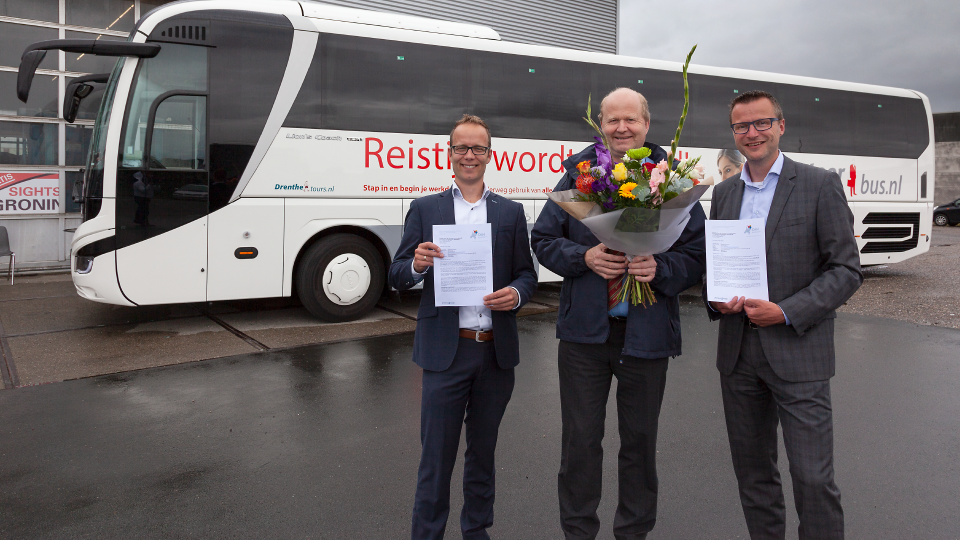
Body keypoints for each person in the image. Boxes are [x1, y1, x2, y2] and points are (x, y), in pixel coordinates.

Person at [530, 87, 706, 540]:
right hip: (584, 337)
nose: (622, 128)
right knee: (581, 444)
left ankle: (633, 532)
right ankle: (578, 532)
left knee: (639, 445)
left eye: (631, 120)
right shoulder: (578, 175)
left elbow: (698, 253)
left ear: (647, 124)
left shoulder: (673, 180)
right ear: (600, 125)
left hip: (646, 337)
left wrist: (659, 266)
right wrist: (583, 258)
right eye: (612, 120)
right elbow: (545, 239)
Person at [705, 90, 862, 540]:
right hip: (738, 356)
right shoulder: (725, 193)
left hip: (799, 352)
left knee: (813, 478)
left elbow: (846, 270)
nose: (751, 133)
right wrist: (717, 299)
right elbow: (720, 266)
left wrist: (787, 312)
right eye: (741, 126)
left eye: (761, 123)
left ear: (780, 125)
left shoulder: (818, 183)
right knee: (754, 477)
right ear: (733, 133)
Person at [389, 114, 538, 540]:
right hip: (445, 352)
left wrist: (517, 294)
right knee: (436, 458)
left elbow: (526, 274)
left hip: (494, 352)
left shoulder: (509, 212)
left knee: (483, 455)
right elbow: (397, 274)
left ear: (490, 155)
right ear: (449, 153)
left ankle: (476, 531)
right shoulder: (425, 208)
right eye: (461, 148)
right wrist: (415, 265)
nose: (469, 156)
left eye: (478, 149)